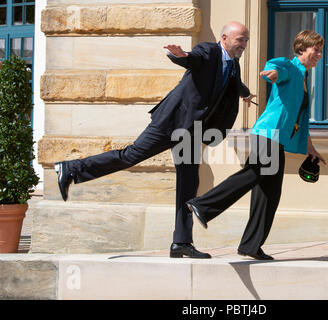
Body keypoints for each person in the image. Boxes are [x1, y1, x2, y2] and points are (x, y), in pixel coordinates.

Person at [54, 21, 255, 259]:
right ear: (224, 38)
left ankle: (181, 241)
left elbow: (230, 82)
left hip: (191, 130)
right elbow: (193, 59)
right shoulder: (208, 50)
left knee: (189, 183)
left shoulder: (232, 62)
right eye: (240, 39)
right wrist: (179, 55)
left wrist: (245, 93)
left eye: (246, 40)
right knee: (132, 155)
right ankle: (71, 169)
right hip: (172, 121)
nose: (243, 44)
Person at [186, 30, 327, 260]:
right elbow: (276, 66)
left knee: (269, 192)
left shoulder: (303, 77)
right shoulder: (291, 68)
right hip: (267, 133)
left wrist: (309, 146)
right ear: (302, 49)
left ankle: (251, 246)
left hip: (277, 138)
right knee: (253, 174)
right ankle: (203, 205)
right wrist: (271, 73)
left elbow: (299, 118)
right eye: (316, 49)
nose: (319, 54)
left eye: (321, 50)